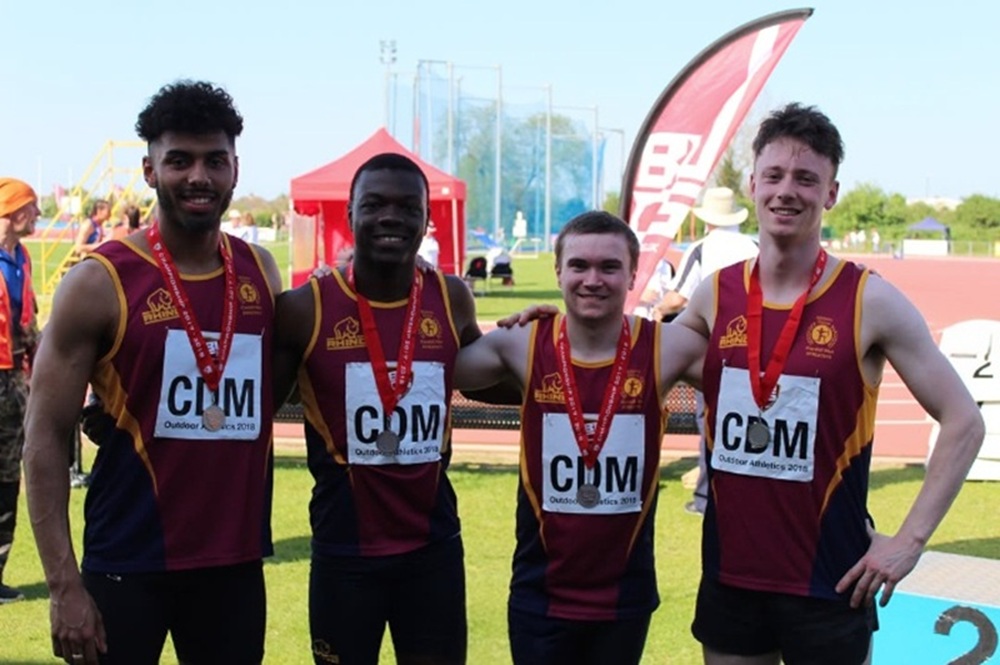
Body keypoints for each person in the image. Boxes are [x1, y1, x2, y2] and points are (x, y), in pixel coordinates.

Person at [675, 103, 984, 665]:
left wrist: (909, 542)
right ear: (752, 185)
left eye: (806, 178)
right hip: (731, 576)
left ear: (831, 193)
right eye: (773, 175)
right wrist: (555, 325)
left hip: (832, 582)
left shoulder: (871, 300)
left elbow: (964, 421)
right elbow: (634, 359)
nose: (786, 191)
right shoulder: (713, 296)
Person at [24, 80, 282, 665]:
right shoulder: (98, 282)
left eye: (215, 160)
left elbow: (287, 376)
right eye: (179, 160)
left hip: (233, 566)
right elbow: (43, 439)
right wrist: (63, 586)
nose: (199, 177)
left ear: (235, 170)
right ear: (149, 170)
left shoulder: (261, 272)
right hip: (128, 560)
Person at [275, 152, 510, 665]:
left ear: (426, 220)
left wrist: (542, 352)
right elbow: (252, 401)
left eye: (408, 207)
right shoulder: (305, 307)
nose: (391, 217)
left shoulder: (451, 297)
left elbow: (482, 378)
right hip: (344, 552)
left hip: (432, 549)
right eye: (374, 204)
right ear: (351, 214)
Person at [451, 211, 705, 665]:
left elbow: (765, 379)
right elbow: (436, 365)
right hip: (540, 593)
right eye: (579, 266)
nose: (593, 280)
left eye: (609, 267)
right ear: (558, 272)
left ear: (633, 275)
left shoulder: (666, 347)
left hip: (624, 596)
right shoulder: (521, 344)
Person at [651, 186, 759, 516]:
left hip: (714, 347)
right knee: (749, 421)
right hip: (757, 347)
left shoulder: (702, 248)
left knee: (710, 420)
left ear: (708, 218)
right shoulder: (756, 246)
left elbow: (679, 297)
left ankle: (705, 497)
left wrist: (657, 309)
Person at [0, 177, 40, 605]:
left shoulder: (22, 257)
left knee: (8, 477)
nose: (38, 215)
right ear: (13, 210)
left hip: (13, 381)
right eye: (32, 207)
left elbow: (27, 317)